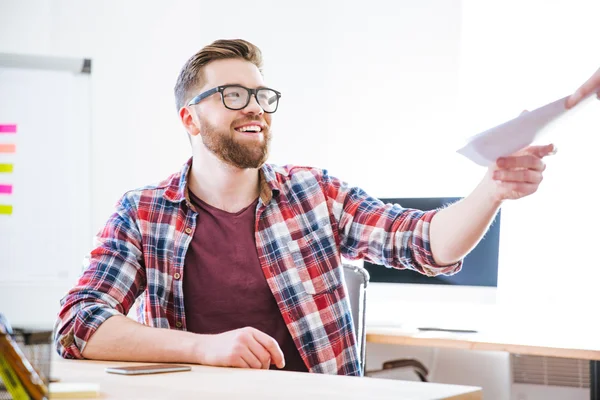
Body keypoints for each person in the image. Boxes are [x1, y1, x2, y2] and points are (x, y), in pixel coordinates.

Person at [54, 39, 556, 376]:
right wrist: (203, 347)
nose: (254, 106)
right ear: (189, 117)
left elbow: (425, 241)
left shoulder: (313, 193)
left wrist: (492, 189)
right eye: (232, 94)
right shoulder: (143, 213)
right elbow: (78, 323)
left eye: (260, 95)